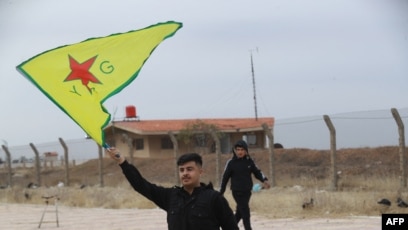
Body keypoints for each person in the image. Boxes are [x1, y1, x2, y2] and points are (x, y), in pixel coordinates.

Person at [107, 148, 238, 230]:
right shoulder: (171, 196)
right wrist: (122, 162)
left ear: (200, 171)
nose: (185, 173)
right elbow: (141, 185)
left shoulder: (214, 198)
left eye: (190, 169)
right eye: (182, 170)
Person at [219, 140, 270, 230]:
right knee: (245, 213)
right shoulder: (231, 163)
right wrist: (221, 192)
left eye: (242, 149)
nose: (240, 152)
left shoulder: (250, 162)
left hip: (247, 191)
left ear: (246, 150)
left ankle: (229, 228)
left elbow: (257, 172)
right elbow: (225, 178)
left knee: (240, 212)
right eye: (238, 149)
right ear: (235, 151)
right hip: (237, 191)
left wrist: (264, 180)